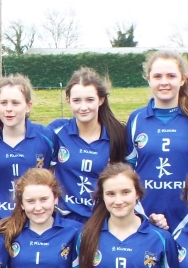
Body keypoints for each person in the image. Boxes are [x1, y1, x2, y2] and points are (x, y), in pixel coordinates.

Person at [127, 51, 188, 232]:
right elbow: (128, 170)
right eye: (157, 76)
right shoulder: (136, 119)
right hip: (145, 214)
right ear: (148, 79)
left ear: (182, 79)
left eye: (171, 76)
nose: (164, 82)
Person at [49, 67, 132, 230]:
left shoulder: (118, 135)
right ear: (68, 100)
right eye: (77, 100)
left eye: (89, 100)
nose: (83, 107)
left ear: (101, 100)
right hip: (63, 221)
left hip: (102, 221)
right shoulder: (56, 130)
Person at [0, 74, 56, 220]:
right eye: (3, 103)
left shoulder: (46, 137)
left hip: (35, 218)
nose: (9, 109)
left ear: (28, 106)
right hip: (0, 220)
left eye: (15, 103)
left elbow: (54, 176)